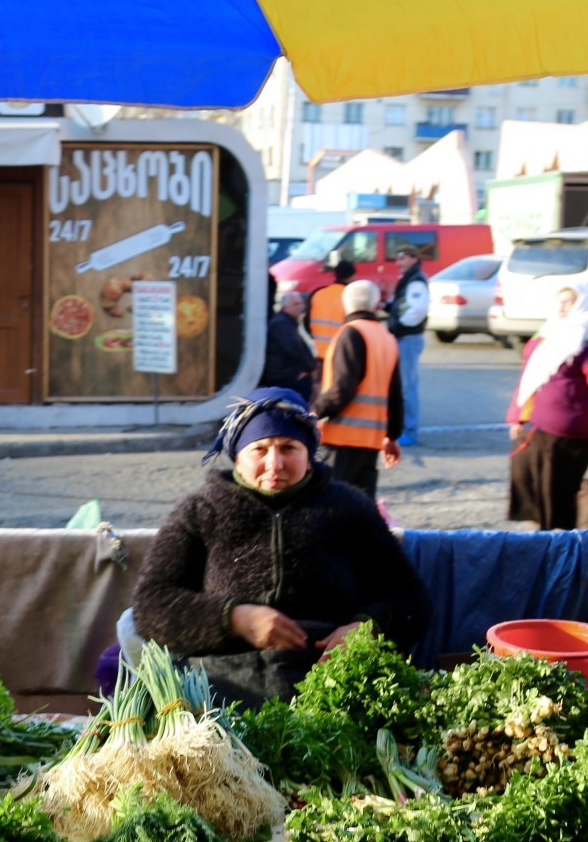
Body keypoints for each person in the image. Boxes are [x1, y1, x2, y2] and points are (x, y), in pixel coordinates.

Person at [130, 387, 431, 706]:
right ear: (237, 457)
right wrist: (233, 619)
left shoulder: (350, 508)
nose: (275, 464)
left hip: (334, 683)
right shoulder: (201, 509)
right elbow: (150, 604)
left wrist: (366, 629)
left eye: (289, 447)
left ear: (309, 455)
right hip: (220, 685)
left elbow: (411, 599)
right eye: (259, 449)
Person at [506, 283, 588, 531]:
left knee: (561, 504)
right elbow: (528, 378)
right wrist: (516, 417)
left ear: (583, 303)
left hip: (571, 438)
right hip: (535, 432)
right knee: (533, 497)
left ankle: (562, 556)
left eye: (568, 302)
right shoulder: (547, 333)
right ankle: (541, 547)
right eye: (559, 301)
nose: (562, 307)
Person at [312, 278, 403, 497]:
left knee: (335, 506)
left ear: (345, 304)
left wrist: (314, 412)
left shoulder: (350, 333)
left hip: (342, 437)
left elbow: (343, 387)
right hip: (371, 440)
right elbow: (395, 393)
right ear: (376, 305)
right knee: (362, 508)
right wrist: (392, 436)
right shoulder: (387, 338)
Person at [385, 246, 430, 446]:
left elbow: (417, 310)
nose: (399, 262)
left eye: (402, 258)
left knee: (407, 386)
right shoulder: (409, 279)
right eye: (398, 258)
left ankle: (409, 430)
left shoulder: (415, 281)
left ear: (414, 258)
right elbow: (402, 304)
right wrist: (388, 307)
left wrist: (399, 324)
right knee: (402, 385)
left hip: (408, 338)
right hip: (404, 336)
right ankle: (403, 427)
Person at [259, 290, 317, 402]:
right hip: (282, 375)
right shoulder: (281, 323)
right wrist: (309, 367)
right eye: (296, 304)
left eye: (301, 303)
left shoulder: (288, 322)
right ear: (285, 307)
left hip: (285, 372)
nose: (301, 307)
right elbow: (293, 348)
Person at [306, 257, 355, 358]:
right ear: (350, 277)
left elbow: (307, 323)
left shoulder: (318, 294)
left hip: (318, 353)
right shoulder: (349, 296)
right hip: (339, 355)